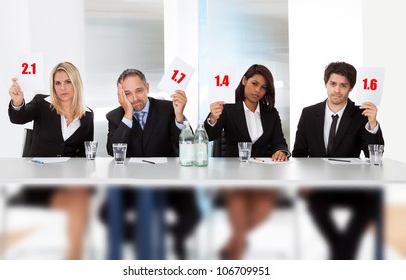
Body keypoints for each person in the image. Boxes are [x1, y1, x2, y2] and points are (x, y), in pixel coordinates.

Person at [99, 68, 200, 259]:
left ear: (147, 87)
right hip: (132, 185)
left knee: (192, 213)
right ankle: (141, 240)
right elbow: (113, 151)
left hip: (168, 183)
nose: (134, 98)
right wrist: (128, 115)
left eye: (138, 90)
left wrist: (179, 117)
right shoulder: (115, 116)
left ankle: (174, 240)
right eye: (127, 93)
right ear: (121, 95)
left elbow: (189, 148)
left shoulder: (168, 109)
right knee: (106, 213)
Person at [292, 61, 384, 259]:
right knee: (316, 206)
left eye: (343, 85)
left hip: (350, 185)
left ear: (350, 88)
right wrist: (305, 181)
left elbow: (373, 155)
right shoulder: (309, 114)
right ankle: (343, 253)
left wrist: (373, 123)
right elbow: (299, 153)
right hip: (318, 186)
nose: (337, 90)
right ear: (326, 84)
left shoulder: (361, 115)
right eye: (333, 84)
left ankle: (340, 254)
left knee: (372, 200)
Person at [8, 62, 94, 259]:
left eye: (67, 82)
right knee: (81, 201)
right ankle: (74, 257)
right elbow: (19, 117)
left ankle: (73, 255)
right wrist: (18, 102)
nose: (62, 88)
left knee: (82, 195)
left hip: (70, 183)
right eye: (57, 83)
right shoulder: (41, 104)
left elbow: (84, 155)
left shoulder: (87, 115)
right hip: (39, 183)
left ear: (77, 84)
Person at [204, 64, 290, 259]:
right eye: (254, 84)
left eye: (263, 87)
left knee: (264, 206)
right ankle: (238, 247)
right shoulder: (228, 108)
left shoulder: (271, 113)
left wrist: (280, 151)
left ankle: (235, 242)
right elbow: (211, 135)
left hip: (263, 174)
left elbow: (280, 142)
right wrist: (212, 118)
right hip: (233, 173)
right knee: (238, 202)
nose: (257, 91)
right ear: (244, 81)